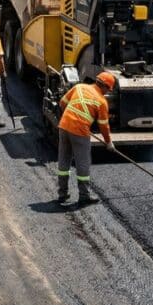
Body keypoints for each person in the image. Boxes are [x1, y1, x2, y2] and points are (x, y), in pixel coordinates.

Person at [57, 72, 116, 205]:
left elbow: (62, 102)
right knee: (83, 163)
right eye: (108, 89)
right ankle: (84, 196)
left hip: (64, 126)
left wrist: (71, 117)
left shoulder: (79, 87)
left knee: (64, 160)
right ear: (105, 86)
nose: (108, 92)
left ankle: (62, 193)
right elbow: (104, 126)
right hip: (79, 132)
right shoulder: (102, 102)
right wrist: (109, 142)